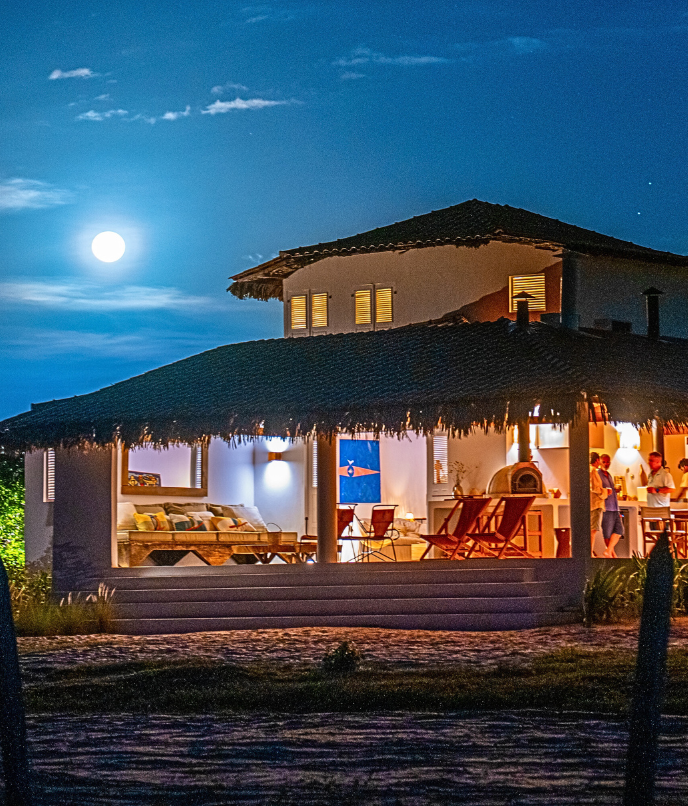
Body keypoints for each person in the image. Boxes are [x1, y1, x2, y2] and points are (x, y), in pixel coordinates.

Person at [598, 454, 623, 558]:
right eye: (604, 462)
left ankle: (609, 551)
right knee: (607, 533)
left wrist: (615, 491)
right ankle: (612, 556)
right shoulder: (598, 475)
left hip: (615, 507)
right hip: (606, 507)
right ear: (599, 462)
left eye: (608, 462)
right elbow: (598, 490)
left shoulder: (609, 475)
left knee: (619, 530)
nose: (606, 464)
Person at [590, 452, 610, 557]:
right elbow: (595, 488)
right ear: (597, 460)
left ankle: (589, 552)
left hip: (589, 504)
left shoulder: (586, 470)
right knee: (593, 529)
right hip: (595, 504)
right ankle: (590, 553)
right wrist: (606, 492)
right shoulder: (593, 471)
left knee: (591, 529)